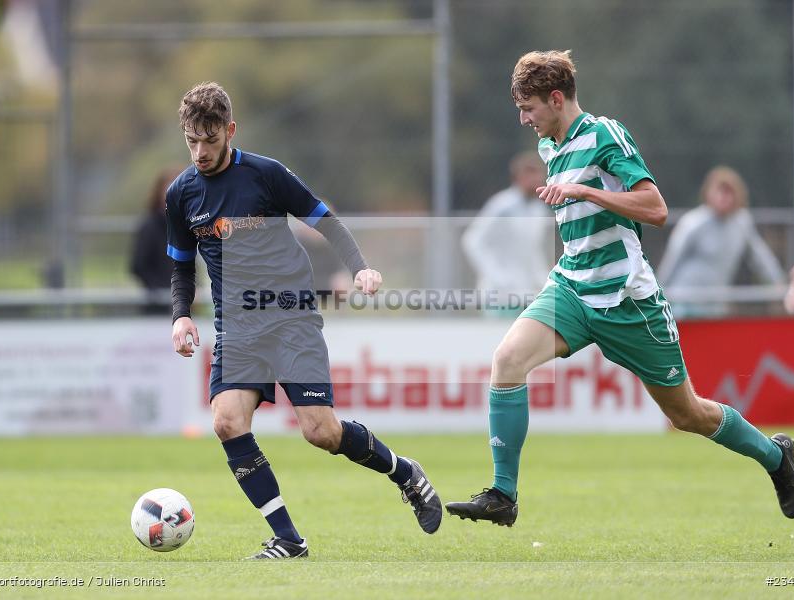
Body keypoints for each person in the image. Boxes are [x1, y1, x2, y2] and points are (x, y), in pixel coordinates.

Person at [445, 50, 794, 527]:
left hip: (627, 300)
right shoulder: (549, 147)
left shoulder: (604, 135)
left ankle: (776, 457)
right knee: (507, 361)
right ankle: (503, 495)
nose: (523, 118)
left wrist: (588, 191)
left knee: (688, 415)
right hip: (572, 286)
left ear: (556, 98)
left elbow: (655, 209)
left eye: (528, 107)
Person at [166, 82, 441, 559]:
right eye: (192, 140)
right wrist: (181, 316)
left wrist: (361, 268)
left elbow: (326, 221)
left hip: (291, 318)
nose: (200, 151)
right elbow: (179, 265)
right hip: (238, 327)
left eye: (210, 140)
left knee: (321, 432)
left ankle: (404, 472)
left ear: (230, 131)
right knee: (228, 422)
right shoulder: (181, 195)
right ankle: (289, 539)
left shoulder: (266, 175)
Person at [656, 166, 785, 319]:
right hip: (684, 305)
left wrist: (781, 287)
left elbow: (762, 259)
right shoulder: (693, 222)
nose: (723, 197)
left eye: (729, 192)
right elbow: (671, 261)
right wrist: (656, 296)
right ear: (708, 193)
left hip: (715, 308)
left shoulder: (742, 223)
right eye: (719, 191)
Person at [462, 152, 555, 315]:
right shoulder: (502, 205)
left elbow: (532, 250)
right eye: (531, 177)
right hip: (499, 294)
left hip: (528, 293)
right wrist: (498, 277)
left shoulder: (538, 208)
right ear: (518, 178)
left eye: (538, 177)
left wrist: (543, 280)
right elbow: (473, 241)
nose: (536, 182)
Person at [130, 166, 183, 313]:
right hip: (157, 308)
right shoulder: (149, 226)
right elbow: (138, 265)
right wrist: (162, 291)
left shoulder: (190, 225)